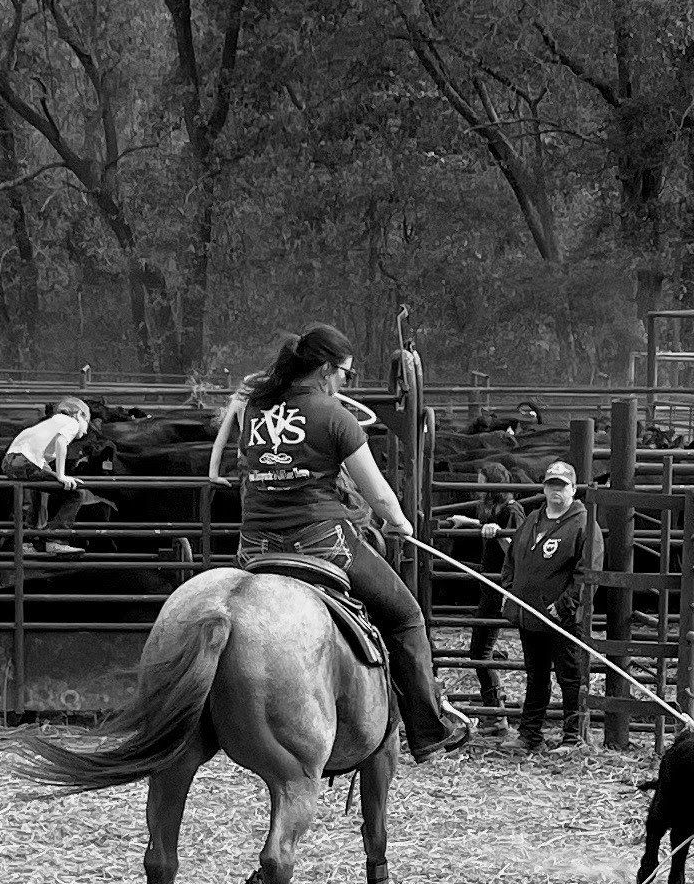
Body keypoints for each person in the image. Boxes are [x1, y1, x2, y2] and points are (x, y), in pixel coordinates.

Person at [207, 323, 469, 764]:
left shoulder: (254, 409)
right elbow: (378, 494)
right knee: (406, 617)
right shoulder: (335, 416)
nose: (345, 381)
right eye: (344, 373)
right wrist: (401, 522)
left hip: (254, 546)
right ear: (326, 369)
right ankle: (427, 728)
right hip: (321, 540)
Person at [500, 459, 604, 753]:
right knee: (537, 674)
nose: (555, 491)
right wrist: (509, 590)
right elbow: (513, 558)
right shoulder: (533, 518)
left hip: (561, 617)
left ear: (573, 489)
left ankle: (574, 737)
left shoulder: (584, 523)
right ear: (544, 488)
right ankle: (530, 733)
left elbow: (588, 573)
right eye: (551, 485)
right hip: (530, 612)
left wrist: (565, 605)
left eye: (562, 485)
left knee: (569, 675)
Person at [448, 462, 524, 734]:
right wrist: (468, 521)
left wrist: (498, 533)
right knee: (480, 651)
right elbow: (488, 525)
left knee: (480, 651)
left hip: (499, 589)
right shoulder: (500, 511)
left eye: (482, 484)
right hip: (490, 587)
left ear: (492, 487)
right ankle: (496, 713)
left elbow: (518, 550)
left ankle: (498, 714)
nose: (478, 490)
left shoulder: (512, 511)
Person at [1, 396, 95, 555]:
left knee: (58, 490)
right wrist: (61, 475)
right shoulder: (71, 422)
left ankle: (37, 540)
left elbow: (41, 460)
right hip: (23, 462)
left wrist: (53, 475)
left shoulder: (50, 423)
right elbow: (61, 442)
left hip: (11, 462)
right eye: (87, 421)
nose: (86, 429)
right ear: (79, 414)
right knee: (76, 494)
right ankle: (54, 540)